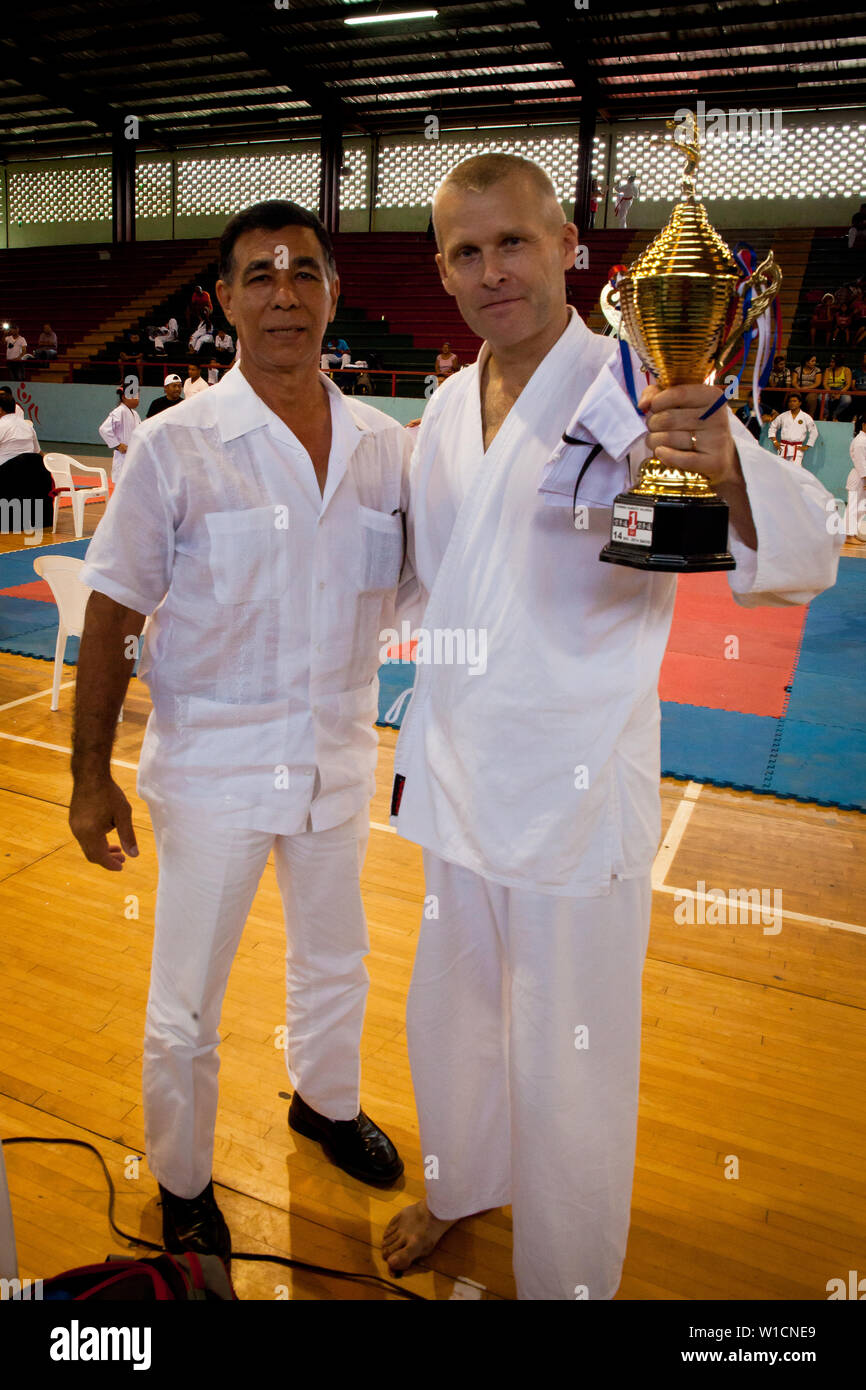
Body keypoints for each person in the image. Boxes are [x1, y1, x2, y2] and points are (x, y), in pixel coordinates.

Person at [379, 152, 841, 1301]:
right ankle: (459, 1182)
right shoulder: (441, 405)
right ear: (442, 269)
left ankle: (567, 1281)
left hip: (571, 786)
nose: (492, 271)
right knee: (450, 1012)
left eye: (513, 242)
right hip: (452, 770)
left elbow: (802, 549)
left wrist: (725, 460)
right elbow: (423, 581)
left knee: (568, 1052)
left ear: (568, 247)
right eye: (465, 251)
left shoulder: (641, 380)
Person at [69, 199, 412, 1270]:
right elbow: (112, 610)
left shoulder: (381, 448)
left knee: (337, 957)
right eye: (258, 275)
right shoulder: (178, 446)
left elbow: (433, 585)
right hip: (213, 768)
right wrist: (90, 776)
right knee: (186, 999)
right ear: (222, 301)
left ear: (332, 296)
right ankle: (180, 1181)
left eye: (303, 272)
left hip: (334, 757)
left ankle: (326, 1100)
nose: (282, 293)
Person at [0, 395, 51, 528]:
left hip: (7, 475)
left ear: (0, 410)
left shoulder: (1, 425)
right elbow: (39, 453)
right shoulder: (27, 426)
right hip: (32, 474)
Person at [98, 388, 141, 482]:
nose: (137, 399)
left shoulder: (135, 414)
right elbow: (104, 429)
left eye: (138, 396)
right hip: (123, 457)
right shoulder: (119, 411)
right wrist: (117, 445)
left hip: (134, 455)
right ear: (124, 397)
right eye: (133, 396)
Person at [767, 392, 818, 463]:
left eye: (794, 401)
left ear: (800, 403)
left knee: (795, 471)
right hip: (783, 447)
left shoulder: (806, 417)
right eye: (790, 401)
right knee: (782, 471)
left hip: (797, 448)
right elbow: (773, 427)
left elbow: (814, 432)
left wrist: (807, 445)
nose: (792, 403)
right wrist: (775, 441)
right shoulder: (783, 416)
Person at [846, 415, 866, 539]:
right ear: (864, 425)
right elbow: (860, 462)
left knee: (862, 506)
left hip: (862, 477)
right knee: (854, 505)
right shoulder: (860, 441)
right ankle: (848, 535)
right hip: (859, 477)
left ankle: (854, 532)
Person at [823, 354, 854, 420]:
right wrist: (830, 393)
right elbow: (825, 384)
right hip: (830, 389)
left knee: (847, 400)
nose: (830, 363)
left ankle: (835, 415)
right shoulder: (827, 370)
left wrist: (839, 393)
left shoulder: (846, 370)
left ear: (838, 362)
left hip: (842, 389)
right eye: (830, 362)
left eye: (832, 362)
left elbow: (848, 384)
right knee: (821, 398)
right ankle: (826, 414)